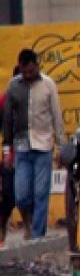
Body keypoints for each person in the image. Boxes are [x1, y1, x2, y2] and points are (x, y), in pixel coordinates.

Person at [3, 49, 64, 239]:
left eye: (32, 71)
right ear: (20, 68)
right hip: (21, 148)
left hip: (44, 146)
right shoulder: (13, 86)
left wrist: (61, 146)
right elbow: (7, 120)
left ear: (37, 66)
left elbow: (57, 115)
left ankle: (37, 236)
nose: (29, 75)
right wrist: (7, 149)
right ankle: (30, 225)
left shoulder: (48, 85)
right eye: (25, 72)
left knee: (40, 194)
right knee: (21, 195)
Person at [0, 68, 16, 247]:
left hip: (18, 152)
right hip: (8, 153)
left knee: (12, 195)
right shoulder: (3, 101)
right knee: (6, 194)